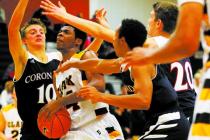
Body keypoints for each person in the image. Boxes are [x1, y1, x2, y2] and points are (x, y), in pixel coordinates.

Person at [40, 2, 190, 138]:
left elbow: (144, 100)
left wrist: (65, 16)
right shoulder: (143, 54)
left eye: (115, 37)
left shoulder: (147, 49)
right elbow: (101, 65)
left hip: (171, 119)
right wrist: (74, 64)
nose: (111, 42)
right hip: (175, 114)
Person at [39, 9, 124, 140]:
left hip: (97, 125)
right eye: (60, 32)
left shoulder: (86, 56)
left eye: (66, 32)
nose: (60, 34)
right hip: (73, 130)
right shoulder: (57, 74)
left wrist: (60, 102)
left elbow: (98, 86)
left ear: (77, 41)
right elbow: (62, 106)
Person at [8, 0, 62, 139]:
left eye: (41, 32)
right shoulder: (23, 59)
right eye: (33, 32)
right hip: (32, 132)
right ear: (24, 40)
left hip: (57, 127)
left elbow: (84, 57)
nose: (38, 34)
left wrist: (98, 37)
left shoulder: (57, 57)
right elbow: (13, 29)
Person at [146, 1, 196, 123]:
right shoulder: (178, 46)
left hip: (179, 115)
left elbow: (123, 40)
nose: (147, 20)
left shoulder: (157, 43)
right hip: (191, 110)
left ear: (158, 23)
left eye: (150, 16)